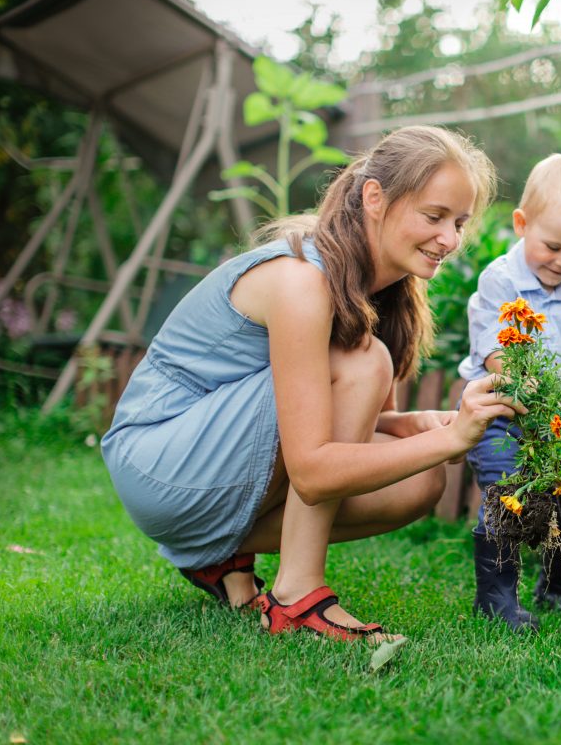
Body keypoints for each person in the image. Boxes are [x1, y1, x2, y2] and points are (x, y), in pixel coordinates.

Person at [101, 126, 522, 643]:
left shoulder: (378, 285)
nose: (450, 240)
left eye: (458, 223)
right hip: (159, 460)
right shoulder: (304, 279)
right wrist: (453, 438)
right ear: (375, 198)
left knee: (422, 480)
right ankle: (296, 596)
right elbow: (315, 468)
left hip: (207, 455)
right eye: (433, 217)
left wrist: (411, 425)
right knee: (367, 365)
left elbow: (340, 423)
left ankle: (222, 556)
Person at [458, 152, 561, 632]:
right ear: (521, 223)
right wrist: (534, 399)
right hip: (501, 415)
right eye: (553, 246)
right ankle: (496, 599)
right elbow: (495, 354)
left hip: (554, 421)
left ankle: (559, 585)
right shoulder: (500, 280)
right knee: (508, 501)